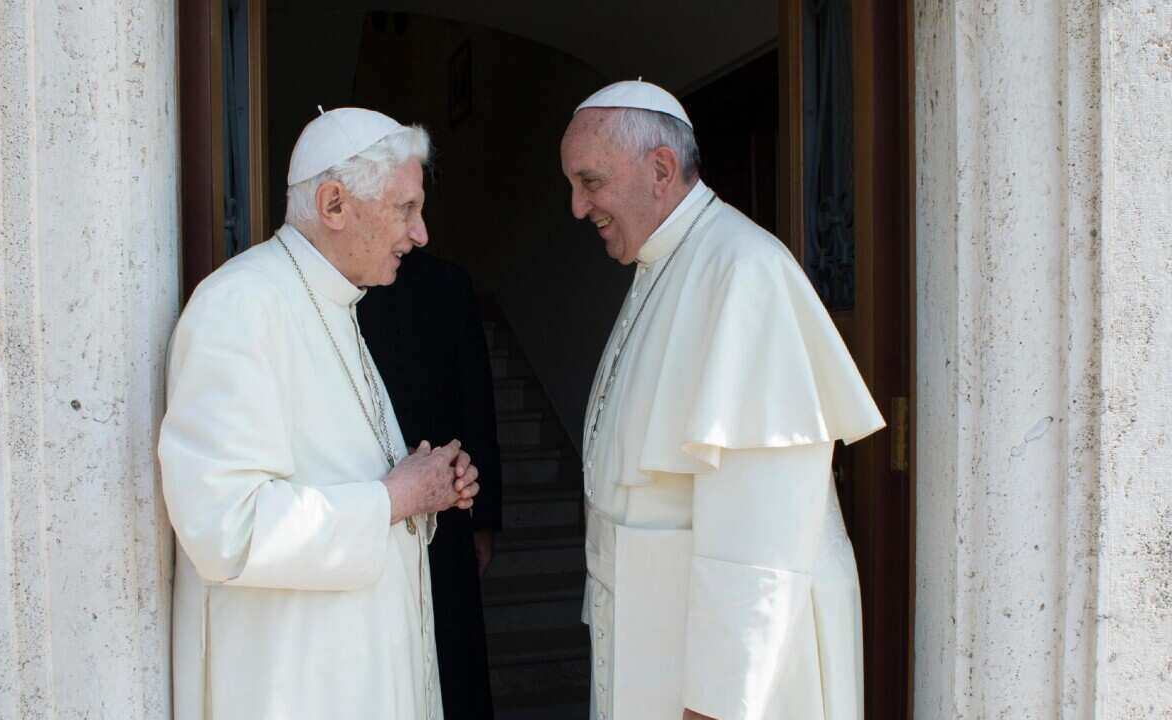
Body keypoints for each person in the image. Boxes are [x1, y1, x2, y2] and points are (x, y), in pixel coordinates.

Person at [560, 80, 885, 720]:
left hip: (718, 682)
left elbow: (763, 531)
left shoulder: (743, 270)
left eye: (589, 182)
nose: (577, 207)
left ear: (660, 169)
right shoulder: (669, 261)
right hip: (653, 639)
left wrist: (717, 704)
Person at [158, 107, 480, 720]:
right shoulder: (241, 305)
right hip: (294, 685)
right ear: (335, 205)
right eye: (405, 209)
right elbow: (227, 527)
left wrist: (425, 486)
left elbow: (346, 481)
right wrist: (394, 499)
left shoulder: (337, 305)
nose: (421, 234)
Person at [359, 249, 503, 719]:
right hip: (368, 511)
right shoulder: (337, 290)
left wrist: (482, 518)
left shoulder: (448, 283)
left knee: (453, 654)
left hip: (447, 504)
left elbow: (475, 402)